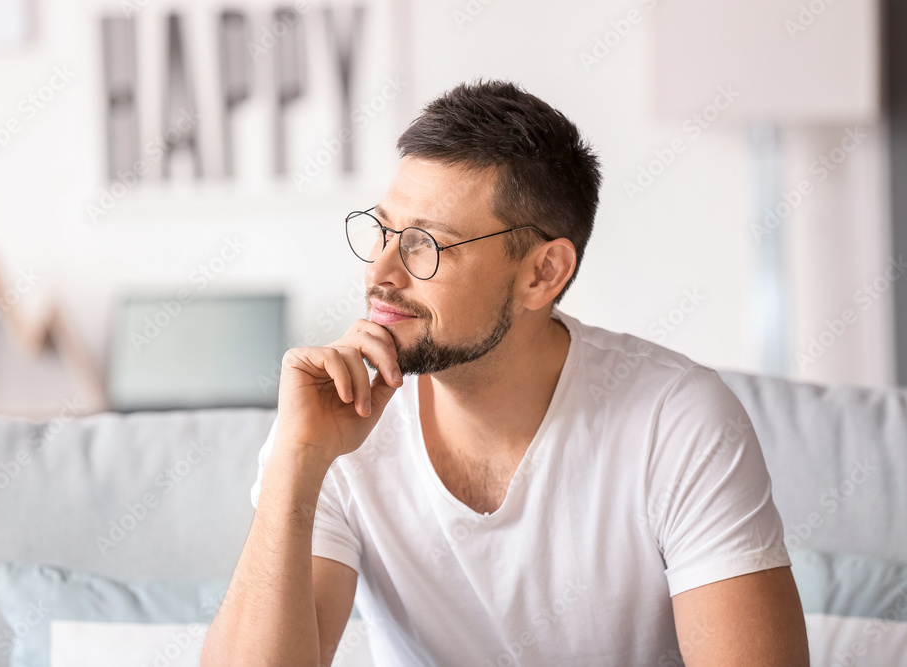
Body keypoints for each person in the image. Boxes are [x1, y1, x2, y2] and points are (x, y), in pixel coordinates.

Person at [201, 79, 809, 666]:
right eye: (383, 230)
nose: (380, 271)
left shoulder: (676, 422)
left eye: (425, 244)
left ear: (543, 273)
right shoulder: (340, 423)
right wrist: (296, 459)